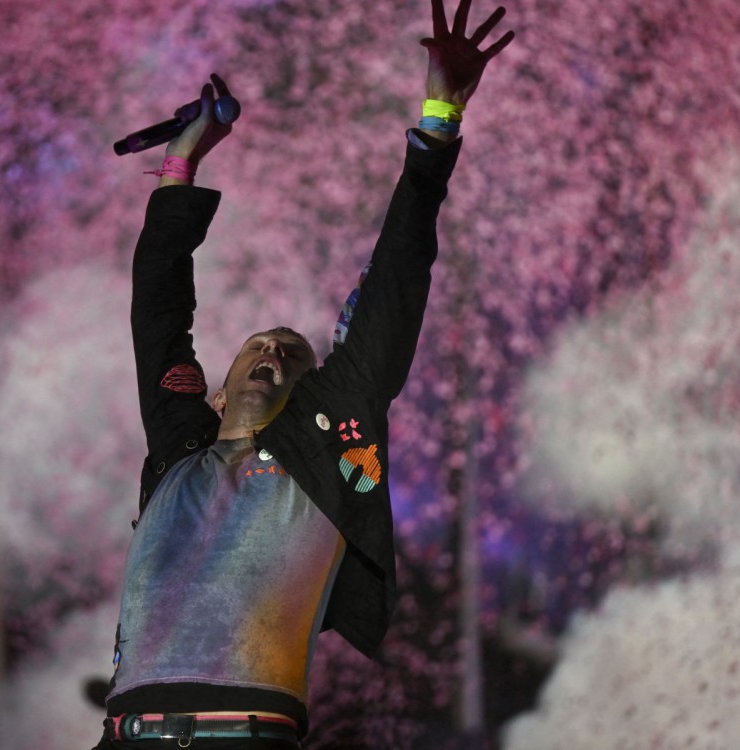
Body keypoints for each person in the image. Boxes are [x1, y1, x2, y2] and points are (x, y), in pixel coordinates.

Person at [95, 1, 514, 747]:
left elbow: (394, 280)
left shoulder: (325, 452)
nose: (276, 354)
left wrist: (438, 121)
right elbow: (158, 308)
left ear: (312, 393)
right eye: (261, 345)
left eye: (294, 356)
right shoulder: (177, 453)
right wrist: (181, 160)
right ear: (217, 390)